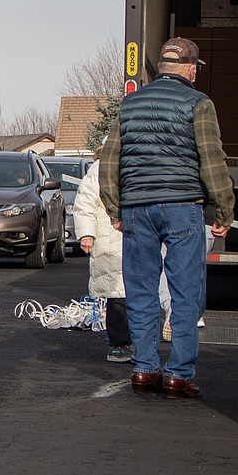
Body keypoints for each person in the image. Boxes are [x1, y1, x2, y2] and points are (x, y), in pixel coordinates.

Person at [100, 37, 235, 399]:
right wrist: (224, 209)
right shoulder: (198, 103)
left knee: (141, 290)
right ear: (191, 69)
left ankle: (144, 369)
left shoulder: (130, 104)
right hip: (181, 206)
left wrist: (114, 208)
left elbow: (111, 159)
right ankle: (178, 374)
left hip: (137, 209)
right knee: (185, 292)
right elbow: (212, 160)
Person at [73, 144, 132, 363]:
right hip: (109, 239)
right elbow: (85, 204)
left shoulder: (135, 167)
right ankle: (119, 344)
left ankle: (136, 342)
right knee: (116, 294)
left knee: (135, 293)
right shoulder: (99, 170)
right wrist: (87, 234)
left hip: (133, 237)